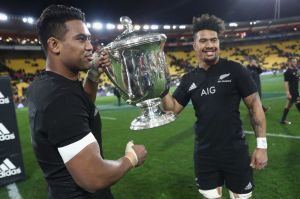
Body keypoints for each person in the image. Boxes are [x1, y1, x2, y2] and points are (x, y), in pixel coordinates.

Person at [26, 5, 147, 199]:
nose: (90, 46)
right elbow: (93, 177)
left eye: (89, 38)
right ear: (54, 45)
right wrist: (131, 158)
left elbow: (82, 108)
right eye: (81, 39)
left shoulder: (50, 84)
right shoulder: (60, 99)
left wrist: (93, 74)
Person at [160, 14, 268, 199]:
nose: (209, 45)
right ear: (194, 46)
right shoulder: (189, 79)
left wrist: (262, 146)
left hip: (235, 152)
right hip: (205, 155)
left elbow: (254, 105)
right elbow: (171, 110)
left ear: (218, 42)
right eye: (203, 41)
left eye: (213, 40)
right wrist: (161, 83)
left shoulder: (235, 70)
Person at [279, 57, 300, 124]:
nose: (295, 63)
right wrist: (287, 93)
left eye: (296, 62)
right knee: (298, 103)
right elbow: (286, 83)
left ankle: (283, 120)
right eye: (294, 62)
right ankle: (283, 119)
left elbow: (297, 77)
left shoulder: (295, 69)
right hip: (292, 91)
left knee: (288, 105)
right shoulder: (287, 72)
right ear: (290, 63)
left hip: (295, 90)